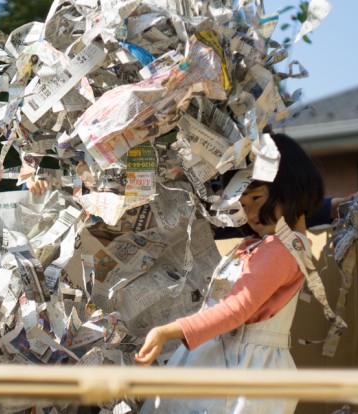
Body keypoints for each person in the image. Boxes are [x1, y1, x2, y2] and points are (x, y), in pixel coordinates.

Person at [135, 133, 325, 413]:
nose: (249, 213)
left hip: (240, 371)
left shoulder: (283, 247)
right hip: (219, 359)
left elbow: (237, 309)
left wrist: (168, 331)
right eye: (242, 203)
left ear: (292, 187)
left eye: (257, 198)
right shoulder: (265, 244)